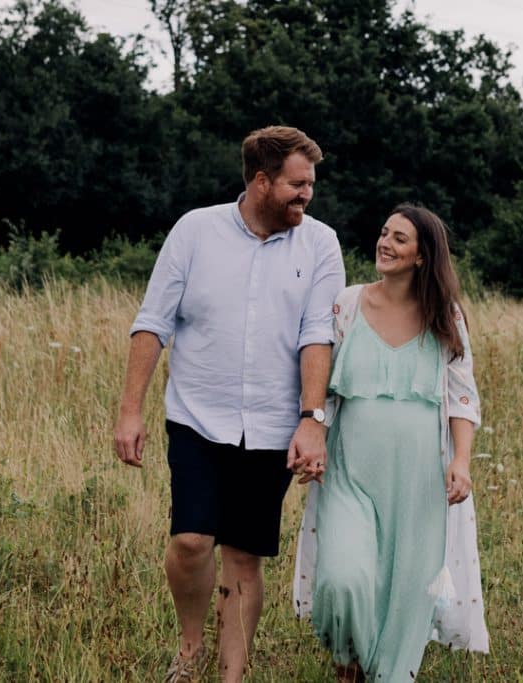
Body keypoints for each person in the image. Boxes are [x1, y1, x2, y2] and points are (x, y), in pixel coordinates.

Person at [114, 126, 345, 683]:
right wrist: (130, 410)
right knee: (191, 540)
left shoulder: (320, 243)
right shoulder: (195, 231)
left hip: (272, 425)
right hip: (196, 415)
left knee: (244, 557)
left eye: (310, 183)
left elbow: (318, 334)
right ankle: (190, 648)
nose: (306, 194)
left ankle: (230, 677)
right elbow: (153, 322)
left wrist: (311, 420)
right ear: (261, 181)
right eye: (296, 183)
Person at [293, 204, 489, 682]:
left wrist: (461, 462)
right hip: (351, 471)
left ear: (423, 256)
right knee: (342, 578)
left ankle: (388, 673)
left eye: (400, 238)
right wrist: (311, 429)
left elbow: (462, 397)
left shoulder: (446, 317)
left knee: (404, 589)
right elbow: (319, 378)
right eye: (384, 233)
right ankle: (347, 658)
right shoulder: (348, 304)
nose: (385, 243)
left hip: (420, 479)